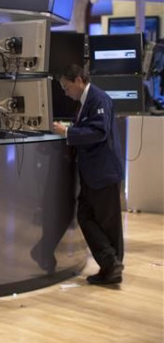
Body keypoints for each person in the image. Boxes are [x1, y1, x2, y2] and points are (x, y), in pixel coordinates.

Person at [52, 64, 125, 285]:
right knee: (86, 216)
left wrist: (69, 132)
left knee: (108, 224)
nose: (66, 92)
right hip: (94, 173)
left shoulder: (98, 99)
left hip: (103, 172)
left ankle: (112, 268)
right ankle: (110, 264)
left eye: (66, 87)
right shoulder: (87, 101)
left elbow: (99, 132)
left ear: (78, 81)